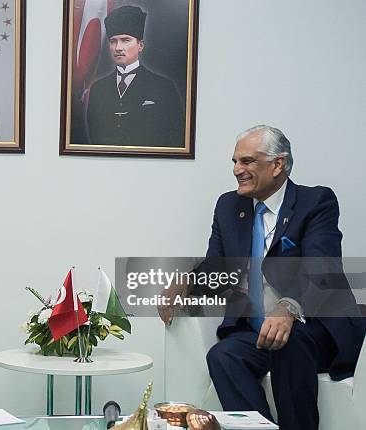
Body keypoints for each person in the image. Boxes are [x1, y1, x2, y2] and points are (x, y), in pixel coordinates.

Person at [158, 125, 365, 430]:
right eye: (235, 162)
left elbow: (322, 267)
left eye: (247, 161)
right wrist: (185, 284)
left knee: (290, 341)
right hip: (258, 333)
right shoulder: (229, 206)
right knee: (223, 356)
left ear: (278, 164)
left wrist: (289, 306)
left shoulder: (316, 202)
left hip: (315, 329)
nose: (237, 170)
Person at [86, 5, 184, 147]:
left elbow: (176, 134)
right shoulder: (98, 88)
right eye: (113, 41)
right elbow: (94, 137)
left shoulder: (164, 87)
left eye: (125, 40)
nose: (118, 47)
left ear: (140, 45)